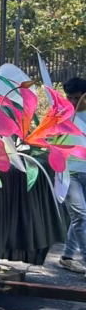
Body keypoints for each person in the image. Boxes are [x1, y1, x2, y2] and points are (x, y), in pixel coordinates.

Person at [58, 77, 86, 273]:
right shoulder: (62, 113)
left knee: (80, 218)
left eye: (76, 98)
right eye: (69, 97)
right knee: (81, 216)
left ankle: (67, 256)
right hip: (69, 172)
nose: (72, 102)